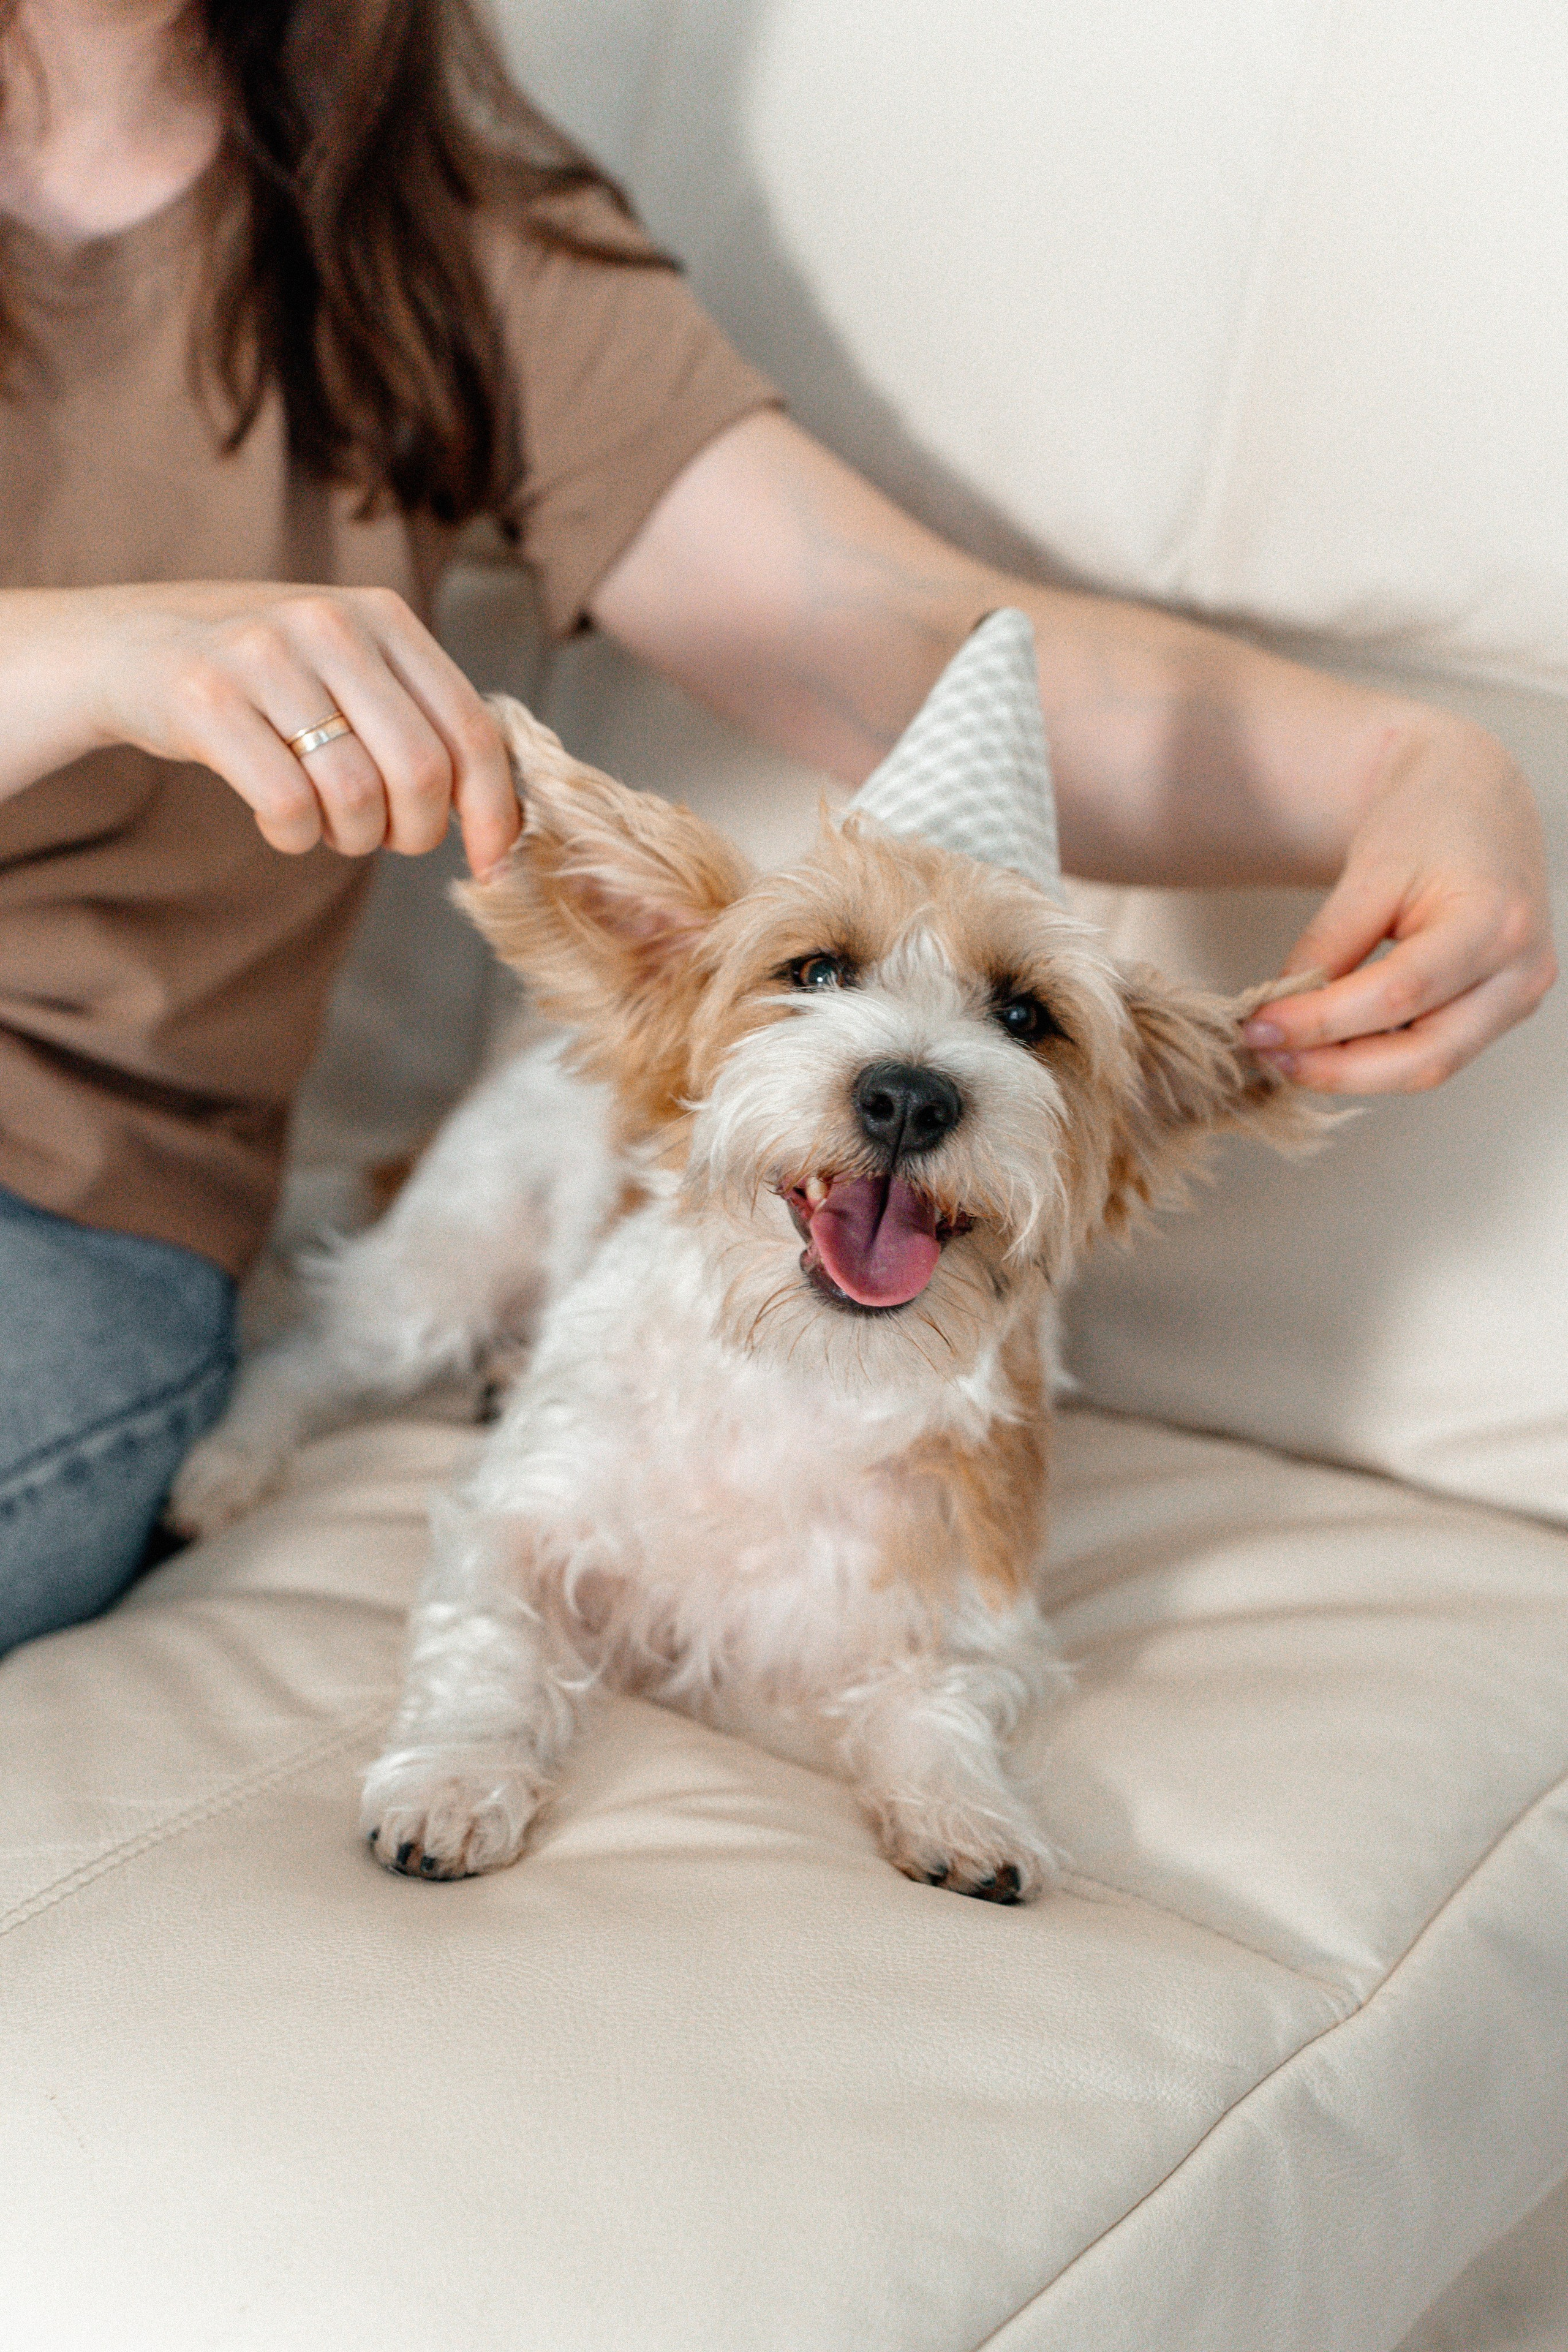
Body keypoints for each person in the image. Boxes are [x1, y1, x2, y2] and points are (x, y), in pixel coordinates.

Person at [0, 0, 1554, 1654]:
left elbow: (915, 647)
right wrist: (85, 656)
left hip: (55, 1199)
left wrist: (1414, 760)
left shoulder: (442, 247)